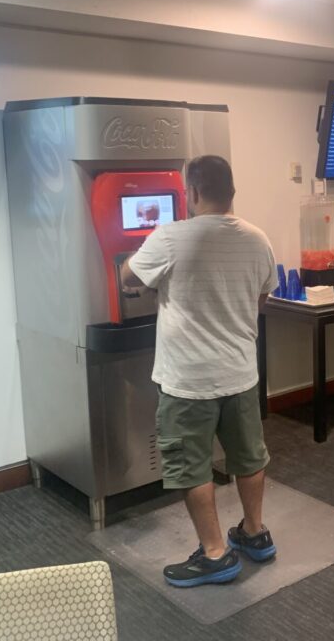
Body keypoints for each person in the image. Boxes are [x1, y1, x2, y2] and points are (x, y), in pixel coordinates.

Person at [122, 155, 279, 588]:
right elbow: (262, 299)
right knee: (248, 458)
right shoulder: (257, 238)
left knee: (192, 467)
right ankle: (254, 531)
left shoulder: (169, 237)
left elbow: (125, 275)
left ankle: (214, 555)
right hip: (241, 373)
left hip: (188, 381)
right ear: (232, 191)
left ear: (190, 193)